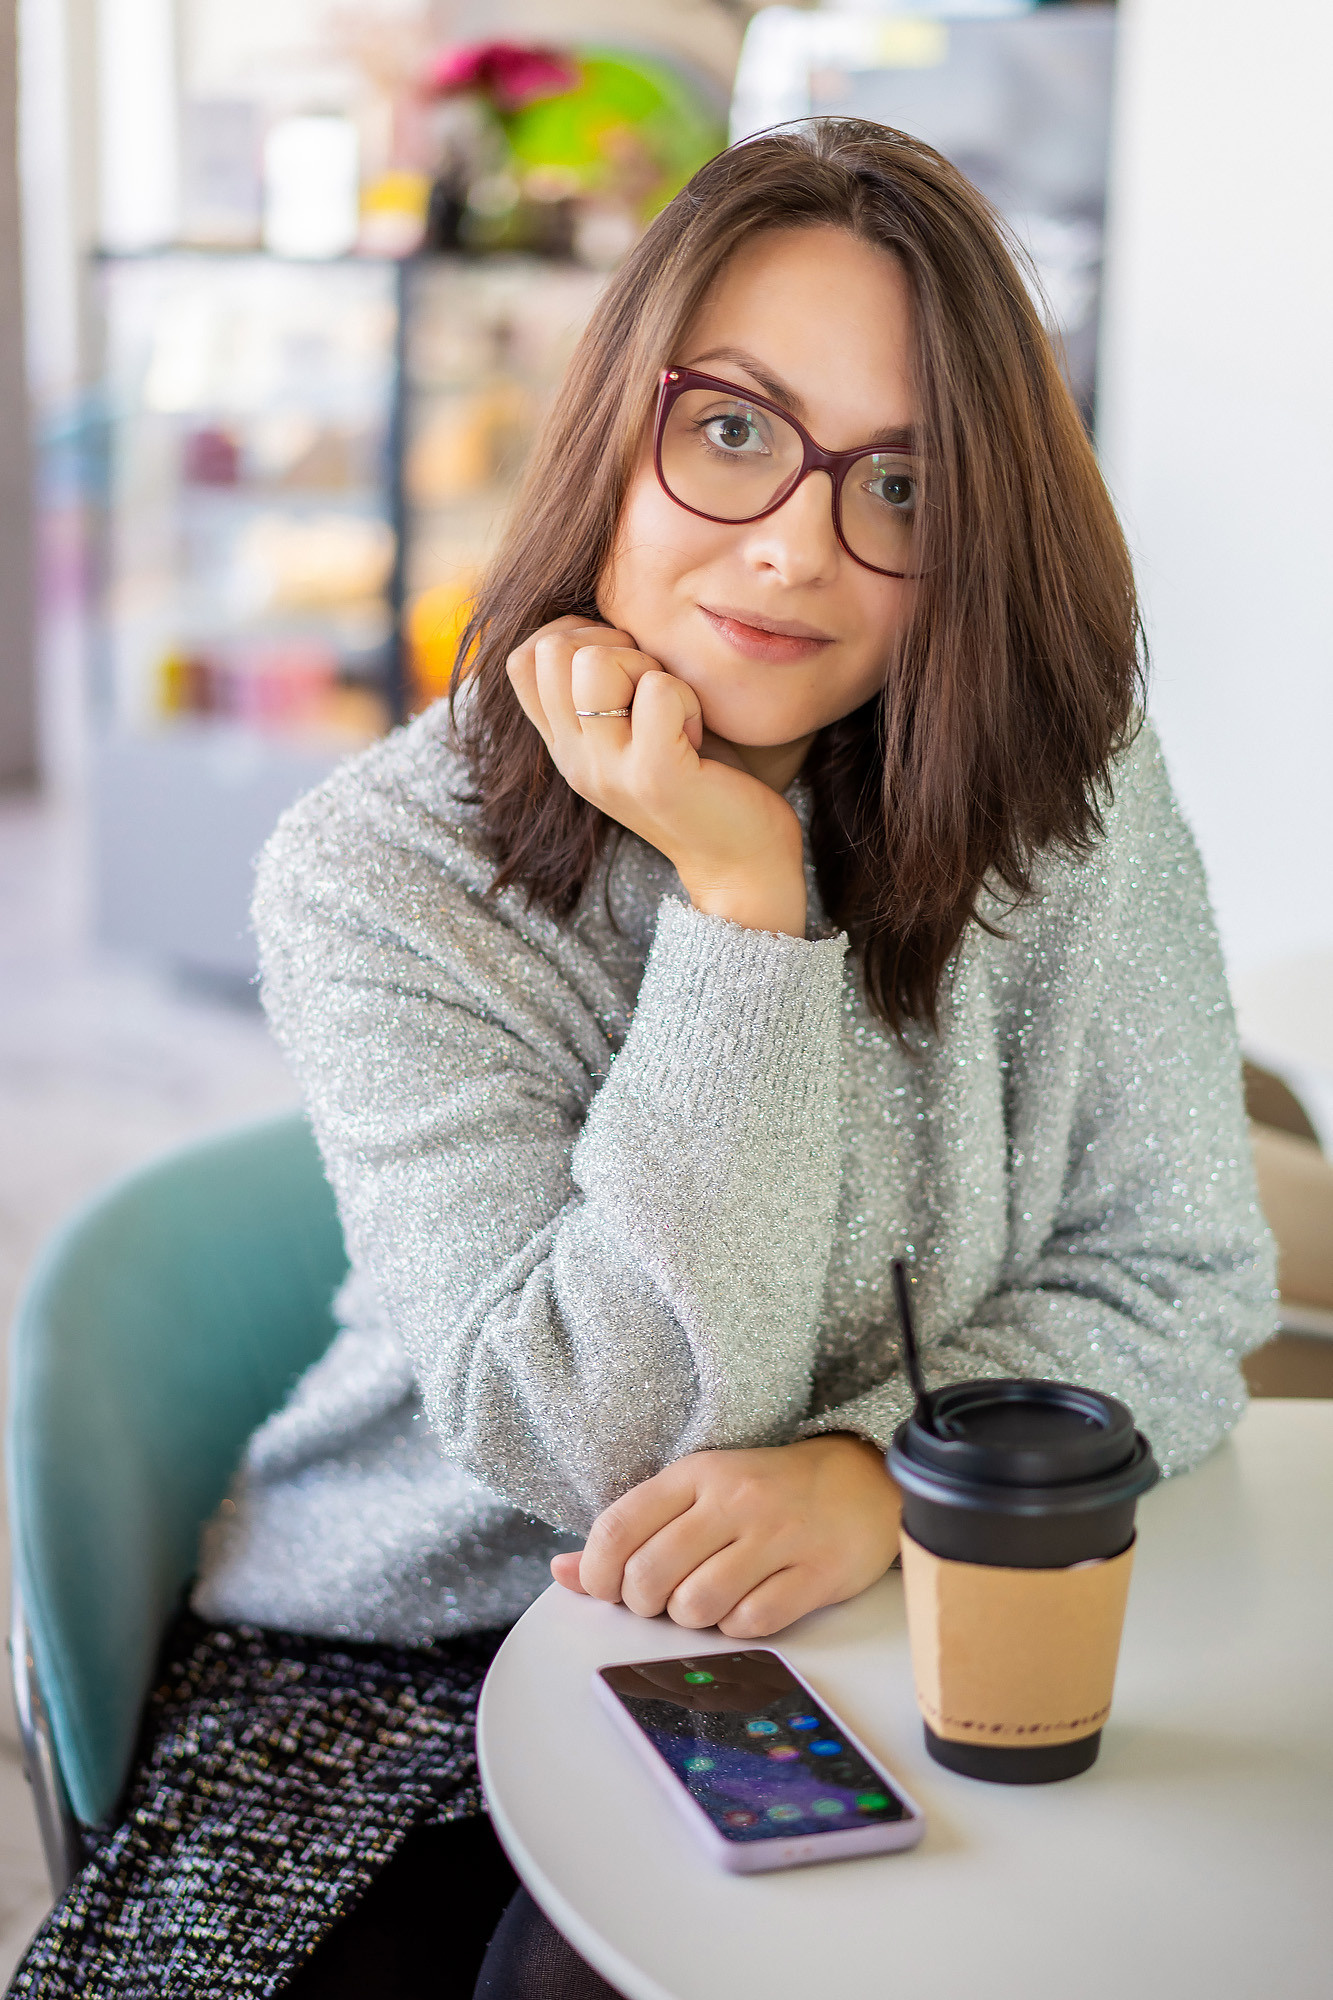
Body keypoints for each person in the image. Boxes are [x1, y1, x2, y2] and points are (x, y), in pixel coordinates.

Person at [11, 119, 1275, 2000]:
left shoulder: (1061, 802)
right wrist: (742, 904)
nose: (793, 546)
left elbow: (1182, 1274)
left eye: (905, 485)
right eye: (736, 428)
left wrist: (872, 1476)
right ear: (617, 417)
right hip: (407, 1658)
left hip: (868, 1622)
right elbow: (593, 1447)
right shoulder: (385, 867)